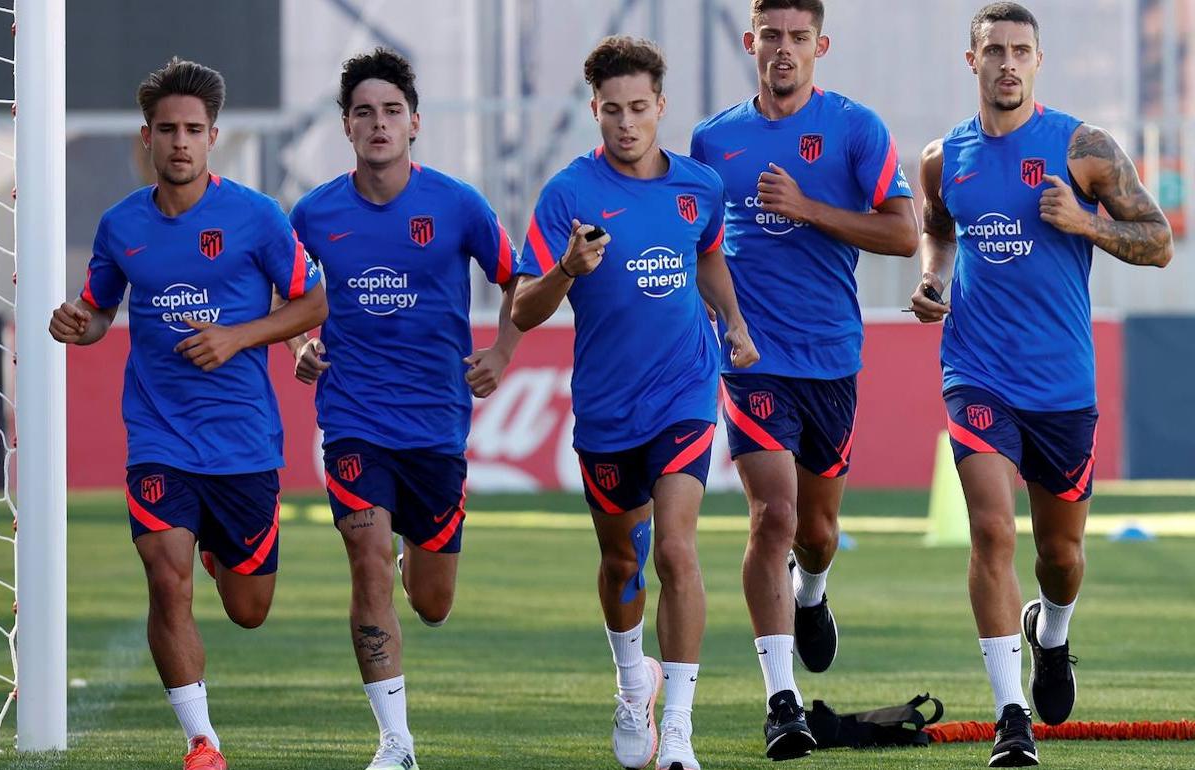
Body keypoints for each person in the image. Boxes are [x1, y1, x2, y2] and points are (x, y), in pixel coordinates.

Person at [909, 3, 1173, 766]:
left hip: (1061, 383)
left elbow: (1157, 243)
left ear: (1038, 60)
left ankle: (1051, 635)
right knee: (992, 530)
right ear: (973, 62)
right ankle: (1010, 715)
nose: (1007, 64)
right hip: (976, 372)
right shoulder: (942, 155)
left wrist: (1086, 224)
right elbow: (937, 224)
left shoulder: (1081, 147)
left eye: (1020, 51)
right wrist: (933, 279)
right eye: (993, 51)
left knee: (1061, 557)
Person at [48, 58, 327, 770]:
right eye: (167, 129)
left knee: (248, 608)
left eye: (193, 130)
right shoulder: (121, 227)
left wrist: (239, 335)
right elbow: (98, 309)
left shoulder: (257, 217)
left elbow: (315, 301)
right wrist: (77, 323)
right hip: (159, 436)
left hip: (243, 444)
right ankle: (202, 742)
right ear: (146, 137)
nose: (180, 141)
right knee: (163, 572)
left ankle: (218, 549)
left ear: (214, 138)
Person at [511, 36, 759, 770]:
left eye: (639, 109)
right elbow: (523, 310)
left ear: (662, 107)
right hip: (606, 410)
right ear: (595, 110)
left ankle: (678, 728)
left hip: (683, 392)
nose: (626, 123)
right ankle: (632, 682)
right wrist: (566, 270)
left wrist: (735, 323)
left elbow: (707, 252)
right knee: (623, 560)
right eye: (612, 111)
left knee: (678, 552)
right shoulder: (566, 195)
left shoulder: (698, 187)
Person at [690, 0, 918, 759]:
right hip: (752, 360)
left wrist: (810, 209)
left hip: (831, 359)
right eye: (771, 37)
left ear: (820, 45)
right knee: (773, 519)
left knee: (816, 534)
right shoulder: (713, 141)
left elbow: (902, 231)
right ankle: (781, 701)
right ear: (751, 42)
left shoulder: (855, 128)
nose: (783, 51)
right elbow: (699, 246)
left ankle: (812, 591)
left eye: (798, 38)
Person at [285, 48, 522, 770]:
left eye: (392, 111)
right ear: (347, 127)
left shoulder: (457, 204)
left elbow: (520, 279)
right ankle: (395, 743)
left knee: (433, 602)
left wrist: (504, 352)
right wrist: (300, 340)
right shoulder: (315, 213)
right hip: (354, 416)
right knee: (366, 560)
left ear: (414, 123)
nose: (379, 124)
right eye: (365, 113)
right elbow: (284, 290)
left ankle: (421, 540)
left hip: (438, 423)